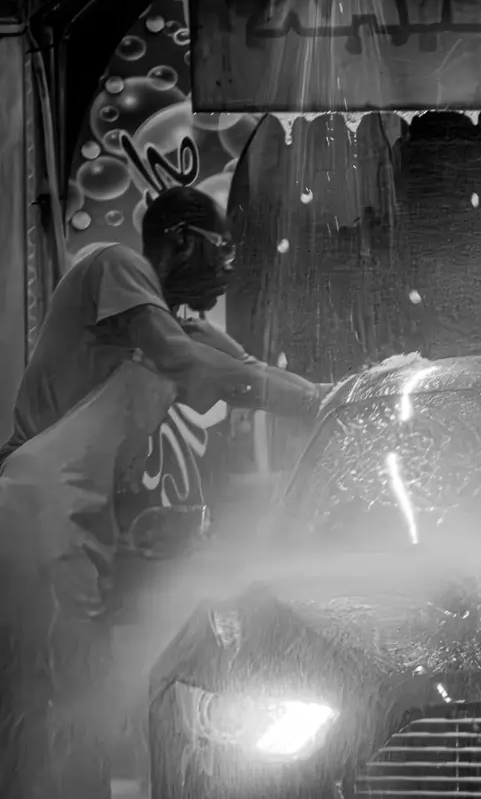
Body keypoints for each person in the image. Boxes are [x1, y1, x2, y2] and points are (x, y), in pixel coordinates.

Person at [0, 184, 327, 799]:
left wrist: (335, 398)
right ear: (180, 239)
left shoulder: (175, 324)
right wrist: (313, 401)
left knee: (89, 713)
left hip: (85, 521)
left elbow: (246, 372)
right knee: (48, 710)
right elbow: (181, 359)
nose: (226, 267)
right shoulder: (114, 266)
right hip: (39, 508)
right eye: (220, 249)